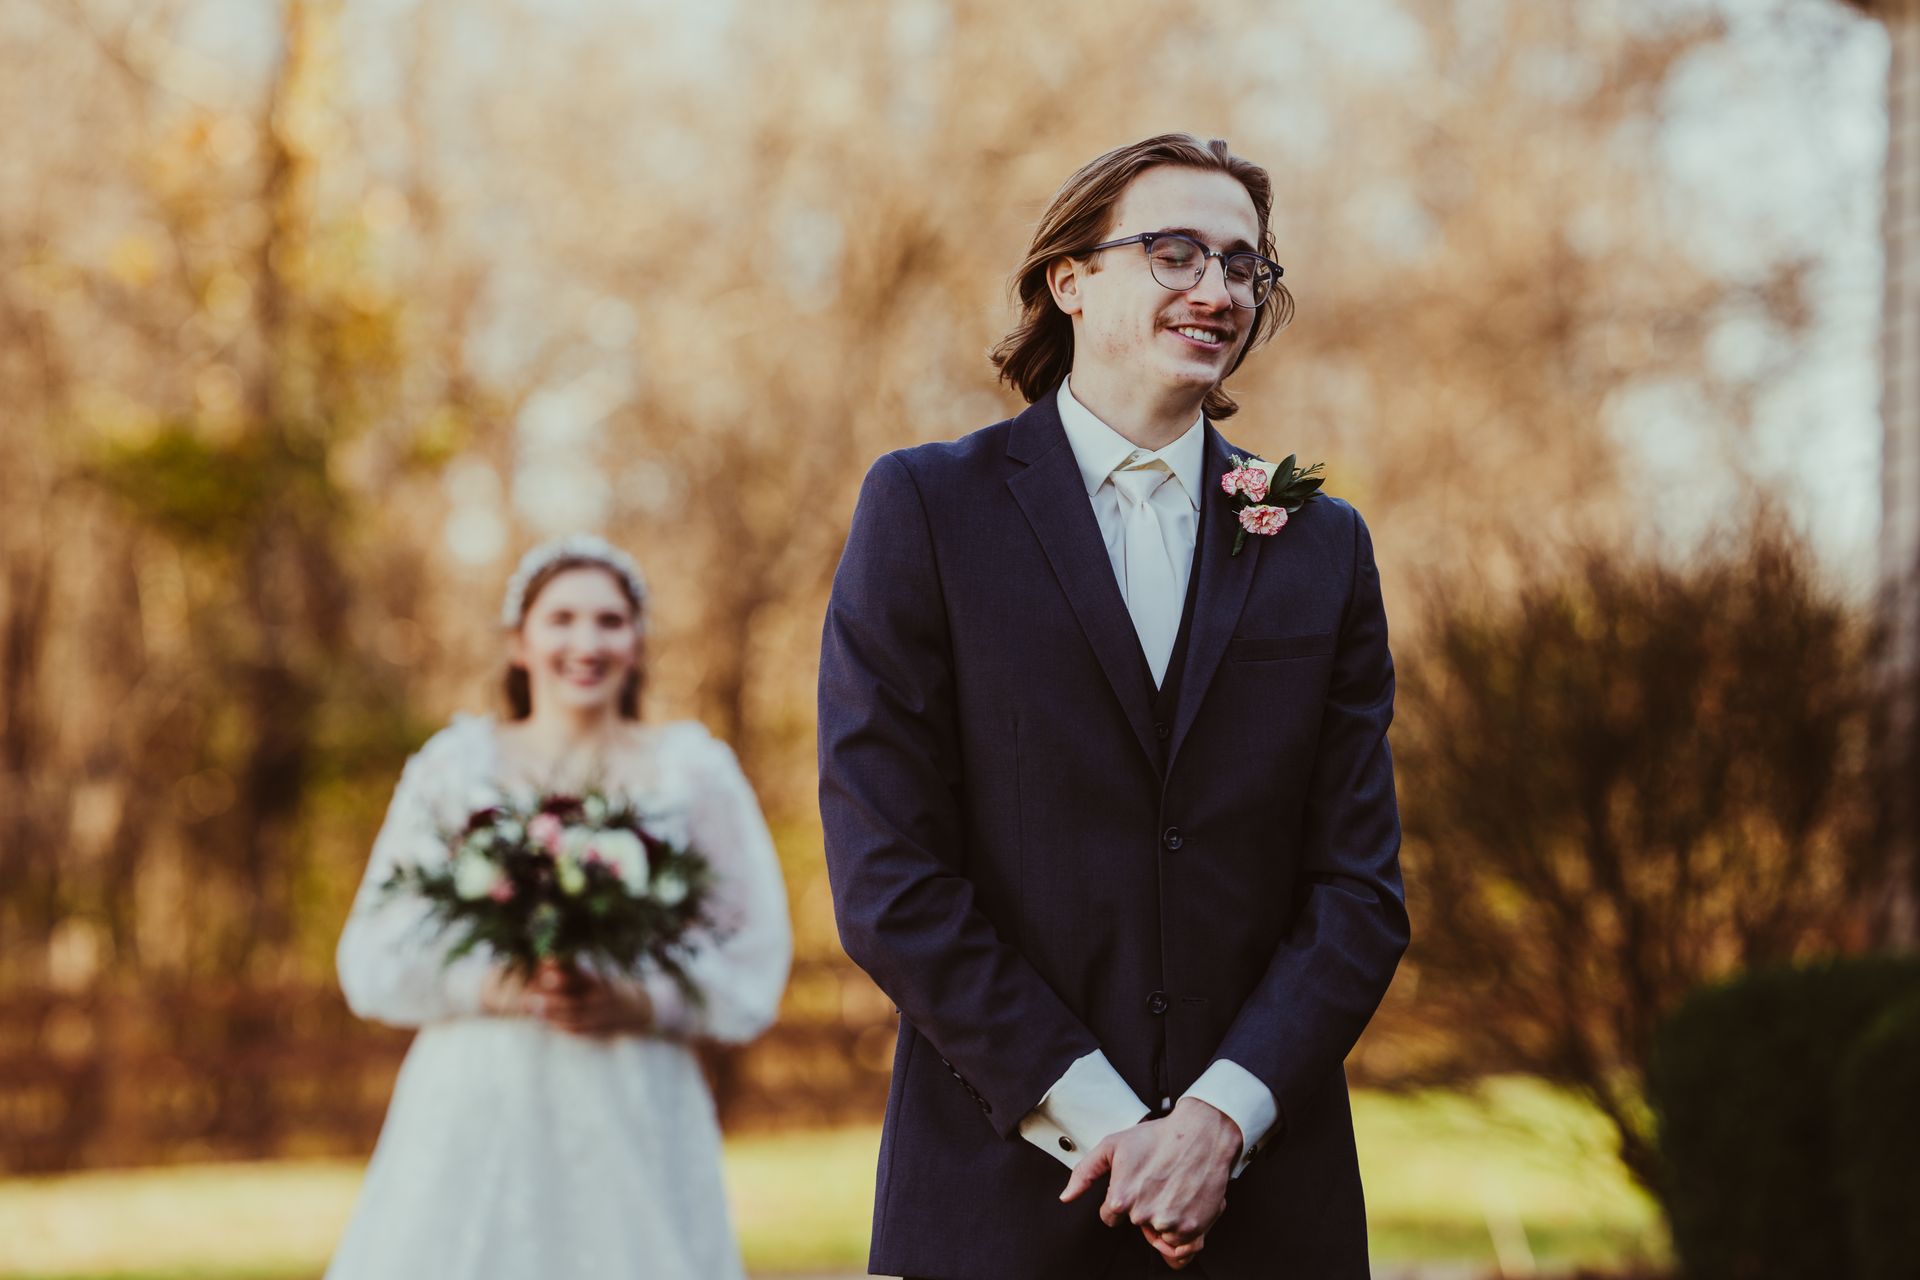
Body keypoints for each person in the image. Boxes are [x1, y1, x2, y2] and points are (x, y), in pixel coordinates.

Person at [817, 134, 1408, 1279]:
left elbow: (1358, 891)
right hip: (1000, 1200)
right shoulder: (927, 510)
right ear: (1069, 280)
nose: (1219, 289)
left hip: (1266, 1209)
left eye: (1246, 266)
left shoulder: (1320, 543)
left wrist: (1218, 1123)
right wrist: (1110, 1125)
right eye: (1176, 252)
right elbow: (890, 877)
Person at [326, 534, 792, 1280]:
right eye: (563, 619)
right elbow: (371, 957)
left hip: (638, 1097)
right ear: (519, 643)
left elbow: (754, 950)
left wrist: (642, 1000)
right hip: (474, 1102)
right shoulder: (454, 769)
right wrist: (488, 986)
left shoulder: (693, 774)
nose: (587, 641)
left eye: (610, 621)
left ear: (637, 644)